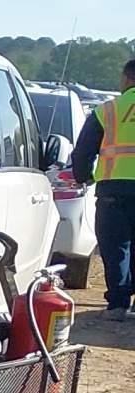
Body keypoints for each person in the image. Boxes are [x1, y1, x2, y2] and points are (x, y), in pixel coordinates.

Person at [69, 57, 135, 320]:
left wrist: (83, 177)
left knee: (115, 246)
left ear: (127, 79)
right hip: (115, 190)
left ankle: (118, 303)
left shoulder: (107, 110)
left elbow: (83, 151)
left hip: (113, 190)